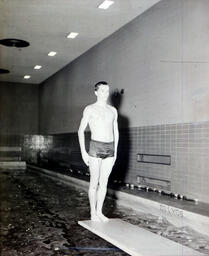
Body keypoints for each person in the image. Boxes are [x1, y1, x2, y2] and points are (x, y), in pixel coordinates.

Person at [78, 81, 119, 222]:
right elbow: (80, 131)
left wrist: (116, 152)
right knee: (94, 183)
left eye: (107, 91)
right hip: (95, 147)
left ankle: (100, 212)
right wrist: (84, 152)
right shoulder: (89, 109)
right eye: (102, 91)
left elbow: (116, 132)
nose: (105, 94)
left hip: (110, 148)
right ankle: (93, 213)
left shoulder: (113, 110)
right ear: (96, 92)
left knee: (104, 183)